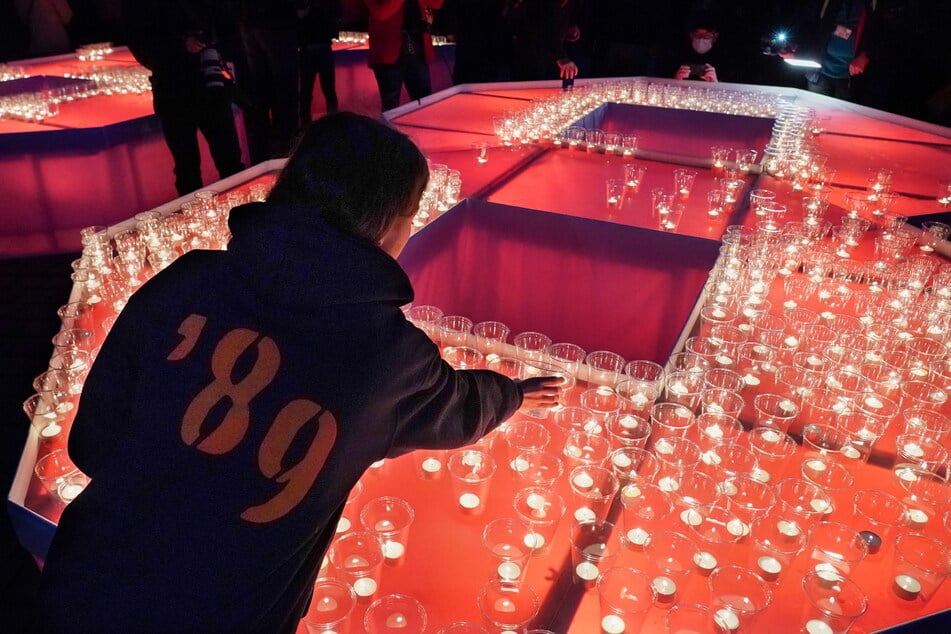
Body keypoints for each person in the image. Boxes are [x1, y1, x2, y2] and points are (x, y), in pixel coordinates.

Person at [34, 112, 559, 633]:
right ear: (389, 224)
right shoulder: (388, 357)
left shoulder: (185, 281)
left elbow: (92, 444)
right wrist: (513, 395)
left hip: (85, 583)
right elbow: (461, 408)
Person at [121, 0, 245, 196]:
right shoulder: (140, 8)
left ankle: (241, 215)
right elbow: (140, 42)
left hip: (209, 83)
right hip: (174, 89)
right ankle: (197, 219)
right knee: (188, 168)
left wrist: (217, 46)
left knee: (229, 159)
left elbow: (225, 22)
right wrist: (180, 45)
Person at [237, 0, 303, 162]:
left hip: (250, 20)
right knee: (285, 90)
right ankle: (286, 151)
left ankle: (263, 151)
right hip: (276, 22)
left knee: (259, 91)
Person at [364, 0, 445, 112]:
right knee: (391, 107)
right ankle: (389, 129)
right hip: (388, 52)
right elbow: (381, 13)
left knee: (424, 103)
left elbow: (436, 3)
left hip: (417, 50)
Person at [792, 0, 876, 102]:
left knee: (843, 116)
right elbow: (809, 24)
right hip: (819, 72)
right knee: (815, 112)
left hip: (850, 77)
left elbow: (879, 34)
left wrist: (866, 55)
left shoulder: (871, 4)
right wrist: (796, 49)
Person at [298, 0, 341, 124]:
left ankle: (304, 126)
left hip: (307, 47)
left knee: (306, 92)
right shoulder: (328, 5)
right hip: (323, 46)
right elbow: (337, 14)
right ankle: (335, 124)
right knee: (329, 91)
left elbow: (299, 16)